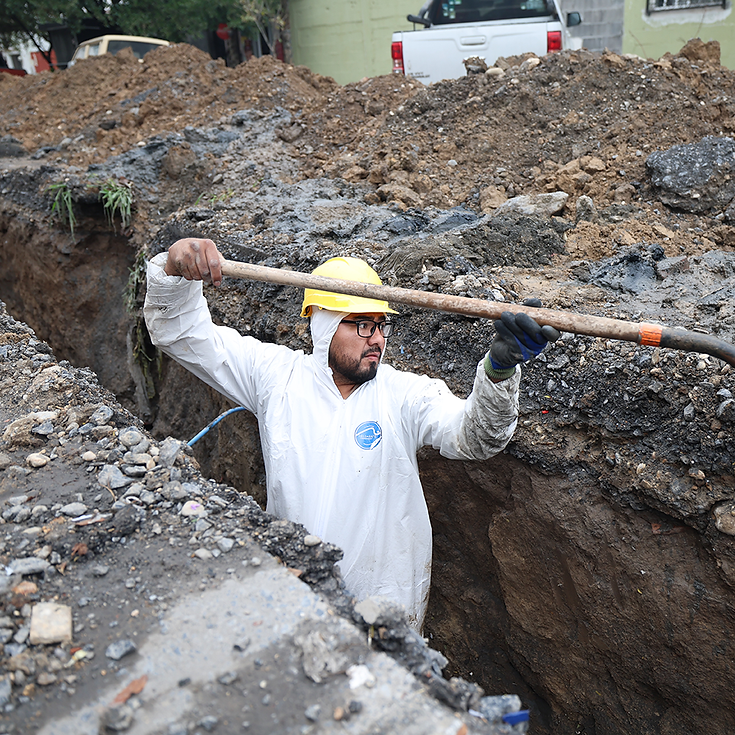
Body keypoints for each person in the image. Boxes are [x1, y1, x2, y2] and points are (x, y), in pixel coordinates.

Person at [144, 237, 558, 629]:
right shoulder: (276, 378)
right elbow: (181, 333)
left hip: (384, 611)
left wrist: (499, 372)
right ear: (324, 326)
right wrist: (173, 267)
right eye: (361, 325)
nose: (376, 339)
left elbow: (475, 437)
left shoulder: (405, 395)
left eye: (380, 326)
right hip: (294, 593)